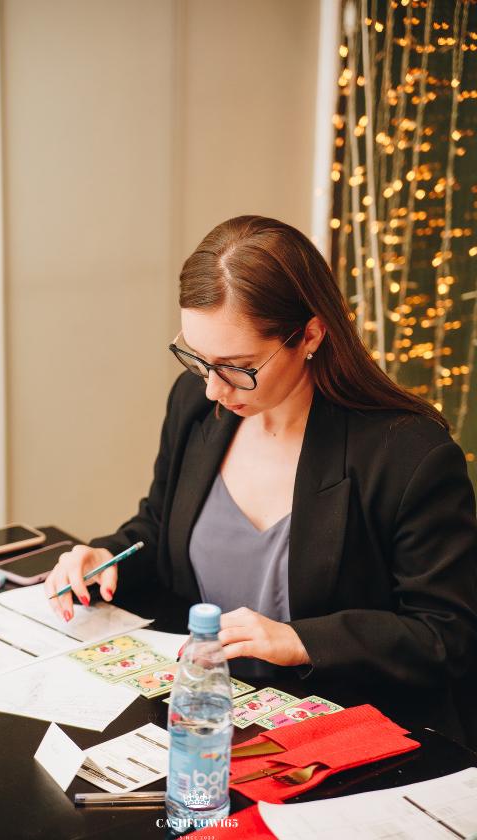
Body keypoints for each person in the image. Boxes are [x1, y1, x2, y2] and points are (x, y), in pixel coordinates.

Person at [44, 215, 477, 744]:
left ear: (310, 335)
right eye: (198, 359)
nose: (213, 388)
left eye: (237, 366)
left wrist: (298, 641)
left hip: (342, 735)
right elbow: (160, 528)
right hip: (203, 713)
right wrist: (106, 558)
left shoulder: (408, 456)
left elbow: (446, 636)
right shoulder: (196, 406)